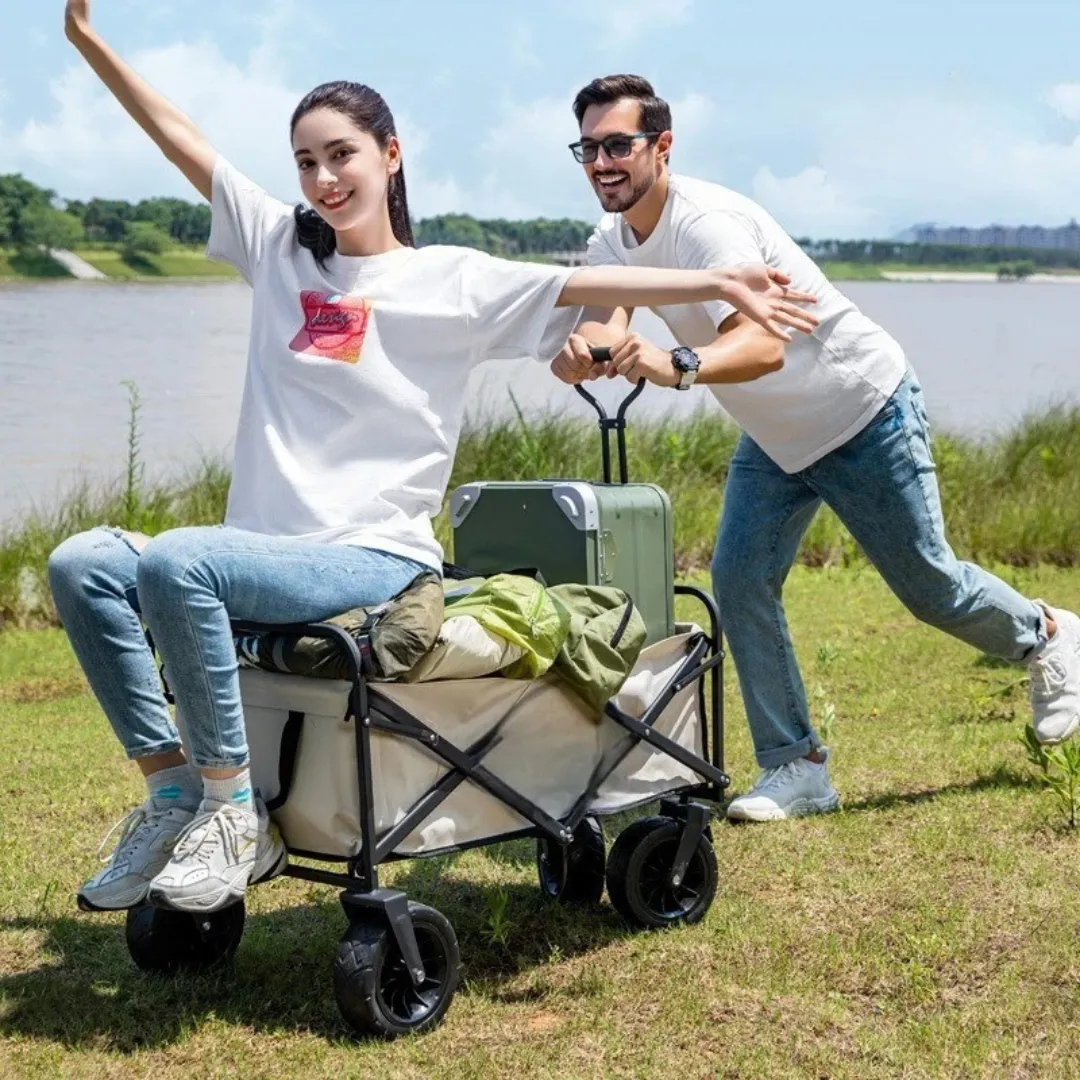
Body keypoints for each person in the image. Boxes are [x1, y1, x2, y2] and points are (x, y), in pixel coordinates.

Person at [51, 4, 821, 916]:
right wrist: (89, 44)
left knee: (182, 557)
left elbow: (584, 285)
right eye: (306, 162)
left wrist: (715, 281)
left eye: (342, 153)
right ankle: (176, 792)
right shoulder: (278, 251)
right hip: (264, 553)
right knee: (84, 564)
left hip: (373, 556)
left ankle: (232, 813)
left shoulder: (447, 281)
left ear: (390, 154)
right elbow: (180, 139)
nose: (325, 177)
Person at [552, 73, 1080, 822]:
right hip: (776, 435)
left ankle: (1048, 635)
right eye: (588, 148)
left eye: (618, 145)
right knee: (738, 580)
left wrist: (673, 365)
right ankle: (796, 768)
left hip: (860, 408)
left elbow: (763, 346)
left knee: (931, 587)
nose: (602, 162)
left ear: (661, 146)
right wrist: (586, 350)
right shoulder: (612, 238)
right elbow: (606, 321)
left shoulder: (710, 225)